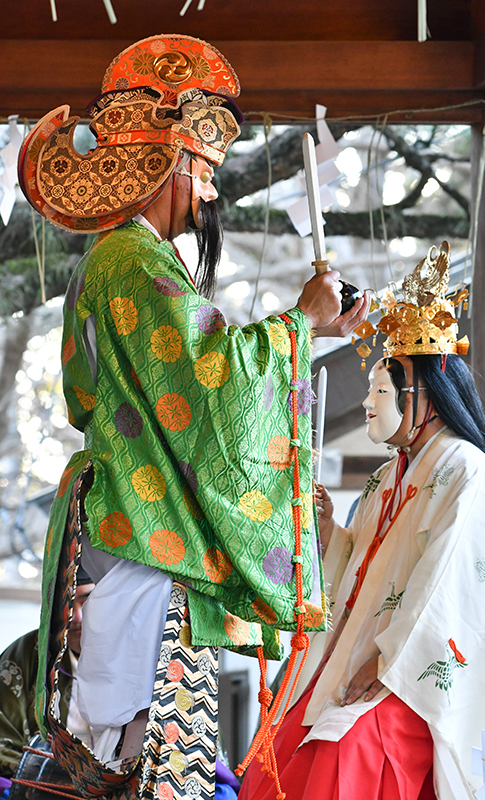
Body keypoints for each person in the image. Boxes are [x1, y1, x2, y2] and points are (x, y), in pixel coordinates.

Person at [17, 33, 369, 799]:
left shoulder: (117, 260)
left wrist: (310, 331)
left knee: (135, 749)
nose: (207, 193)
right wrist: (301, 324)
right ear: (166, 165)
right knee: (153, 757)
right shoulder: (132, 261)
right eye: (203, 173)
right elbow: (210, 379)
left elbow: (190, 376)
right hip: (150, 533)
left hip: (138, 520)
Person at [239, 242, 485, 800]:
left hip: (417, 673)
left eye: (380, 389)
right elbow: (359, 566)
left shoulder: (466, 473)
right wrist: (330, 533)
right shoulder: (384, 481)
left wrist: (388, 658)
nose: (370, 404)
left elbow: (449, 586)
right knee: (285, 739)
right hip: (365, 655)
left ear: (424, 393)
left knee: (343, 751)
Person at [0, 575, 94, 780]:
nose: (76, 616)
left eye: (88, 598)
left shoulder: (140, 658)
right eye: (67, 601)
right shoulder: (27, 655)